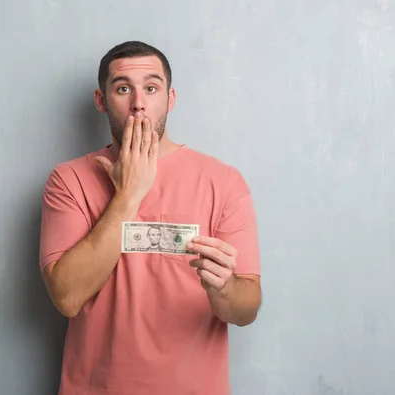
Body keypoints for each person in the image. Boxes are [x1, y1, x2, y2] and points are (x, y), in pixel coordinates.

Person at [39, 40, 262, 395]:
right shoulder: (69, 180)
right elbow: (66, 297)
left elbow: (247, 308)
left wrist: (225, 289)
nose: (139, 103)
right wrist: (129, 195)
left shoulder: (223, 182)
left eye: (151, 88)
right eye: (123, 88)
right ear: (101, 100)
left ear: (170, 99)